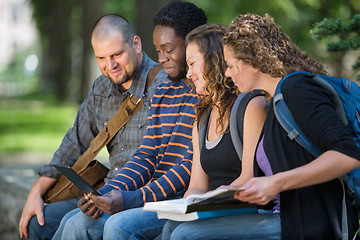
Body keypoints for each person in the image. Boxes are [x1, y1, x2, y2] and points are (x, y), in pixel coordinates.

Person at [163, 13, 360, 240]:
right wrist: (227, 193)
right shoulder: (275, 102)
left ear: (253, 61)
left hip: (308, 223)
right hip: (283, 216)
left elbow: (348, 154)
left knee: (186, 235)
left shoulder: (296, 88)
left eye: (231, 66)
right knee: (171, 228)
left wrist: (275, 183)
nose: (226, 73)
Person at [52, 2, 207, 239]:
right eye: (158, 51)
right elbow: (147, 154)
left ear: (193, 44)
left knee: (115, 226)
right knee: (76, 221)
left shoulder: (205, 95)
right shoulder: (163, 90)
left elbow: (189, 165)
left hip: (177, 197)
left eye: (169, 49)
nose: (162, 59)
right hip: (152, 195)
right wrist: (105, 193)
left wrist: (134, 198)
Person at [18, 14, 168, 240]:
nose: (111, 66)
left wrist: (118, 196)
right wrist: (36, 192)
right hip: (104, 193)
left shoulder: (165, 86)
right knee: (38, 223)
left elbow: (164, 161)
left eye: (117, 54)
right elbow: (74, 143)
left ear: (136, 44)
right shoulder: (102, 87)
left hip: (143, 197)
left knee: (76, 225)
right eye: (102, 58)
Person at [161, 22, 268, 240]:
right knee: (170, 227)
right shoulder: (202, 117)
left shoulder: (251, 106)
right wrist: (190, 203)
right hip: (213, 208)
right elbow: (197, 185)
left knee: (183, 235)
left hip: (248, 209)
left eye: (192, 64)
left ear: (214, 62)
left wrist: (209, 200)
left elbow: (249, 177)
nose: (189, 74)